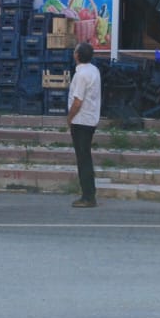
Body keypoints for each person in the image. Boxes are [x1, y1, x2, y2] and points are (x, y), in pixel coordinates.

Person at [66, 43, 101, 208]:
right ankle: (89, 193)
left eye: (75, 50)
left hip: (81, 120)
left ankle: (88, 196)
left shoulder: (81, 75)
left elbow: (77, 101)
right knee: (85, 156)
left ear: (77, 55)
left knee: (83, 158)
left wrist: (69, 117)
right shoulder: (94, 70)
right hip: (91, 119)